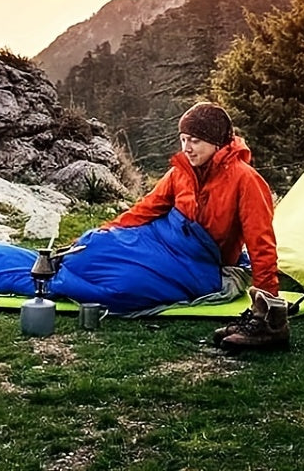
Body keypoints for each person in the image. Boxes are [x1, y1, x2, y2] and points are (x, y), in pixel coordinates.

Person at [101, 101, 290, 350]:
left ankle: (269, 326)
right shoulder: (180, 173)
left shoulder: (246, 180)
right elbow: (146, 209)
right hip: (167, 247)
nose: (187, 149)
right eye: (183, 140)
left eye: (194, 141)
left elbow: (261, 241)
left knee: (123, 283)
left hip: (202, 265)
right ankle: (55, 268)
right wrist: (108, 230)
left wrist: (266, 300)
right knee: (103, 247)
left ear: (216, 142)